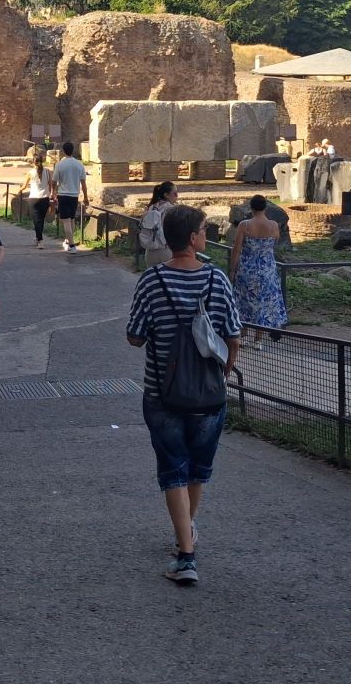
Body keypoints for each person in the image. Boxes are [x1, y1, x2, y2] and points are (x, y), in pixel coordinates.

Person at [126, 205, 242, 586]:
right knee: (196, 471)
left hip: (162, 393)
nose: (206, 234)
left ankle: (186, 555)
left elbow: (135, 336)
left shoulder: (151, 280)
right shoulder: (217, 279)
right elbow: (234, 335)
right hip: (209, 394)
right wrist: (224, 372)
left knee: (173, 471)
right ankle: (185, 538)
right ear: (193, 238)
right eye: (204, 229)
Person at [229, 195, 285, 348]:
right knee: (263, 303)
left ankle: (244, 335)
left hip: (247, 269)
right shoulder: (273, 225)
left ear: (251, 208)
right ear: (265, 207)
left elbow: (236, 249)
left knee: (244, 302)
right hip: (267, 271)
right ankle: (258, 340)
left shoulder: (245, 225)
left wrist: (232, 270)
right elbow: (275, 241)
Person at [53, 141, 89, 253]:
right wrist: (86, 197)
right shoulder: (79, 164)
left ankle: (72, 246)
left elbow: (54, 181)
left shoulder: (60, 164)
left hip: (63, 195)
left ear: (63, 151)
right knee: (72, 220)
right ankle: (68, 241)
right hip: (74, 196)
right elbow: (83, 183)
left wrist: (53, 192)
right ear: (73, 150)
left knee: (66, 221)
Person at [139, 180, 177, 268]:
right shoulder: (172, 209)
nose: (177, 196)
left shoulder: (151, 207)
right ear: (166, 195)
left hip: (150, 250)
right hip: (166, 250)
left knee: (153, 275)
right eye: (175, 193)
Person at [21, 149, 53, 247]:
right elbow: (51, 185)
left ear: (33, 162)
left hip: (34, 198)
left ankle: (40, 240)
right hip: (45, 198)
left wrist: (19, 190)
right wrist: (52, 194)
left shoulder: (30, 172)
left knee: (36, 220)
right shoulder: (47, 172)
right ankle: (38, 237)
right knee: (41, 220)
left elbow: (24, 186)